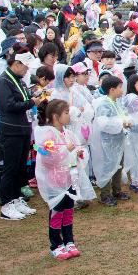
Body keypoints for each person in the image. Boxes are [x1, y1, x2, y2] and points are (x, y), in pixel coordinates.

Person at [0, 44, 38, 220]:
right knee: (10, 168)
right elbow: (7, 106)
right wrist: (31, 102)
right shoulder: (3, 81)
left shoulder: (18, 80)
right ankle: (6, 203)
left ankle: (17, 197)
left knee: (20, 167)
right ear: (16, 64)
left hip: (23, 128)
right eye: (25, 67)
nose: (27, 70)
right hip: (11, 130)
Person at [33, 100, 82, 260]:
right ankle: (56, 244)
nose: (69, 116)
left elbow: (78, 147)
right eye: (66, 113)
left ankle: (69, 240)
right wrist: (65, 150)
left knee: (68, 210)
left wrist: (79, 153)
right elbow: (46, 157)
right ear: (55, 116)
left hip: (69, 178)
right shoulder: (48, 135)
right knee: (57, 211)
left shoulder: (67, 133)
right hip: (55, 181)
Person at [90, 74, 130, 205]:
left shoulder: (116, 102)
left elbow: (122, 115)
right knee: (107, 167)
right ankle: (105, 194)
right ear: (112, 90)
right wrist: (121, 123)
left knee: (118, 165)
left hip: (118, 140)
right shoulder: (103, 104)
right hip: (107, 141)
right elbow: (103, 123)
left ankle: (116, 190)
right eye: (119, 87)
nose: (122, 90)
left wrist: (126, 121)